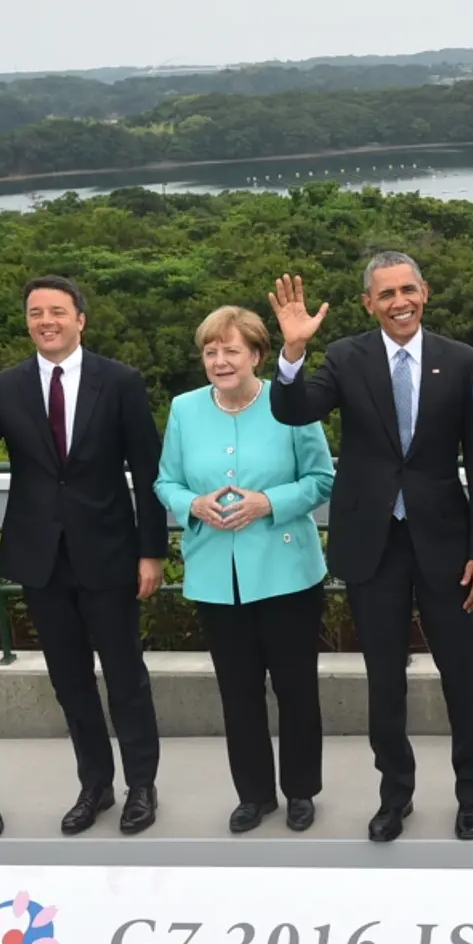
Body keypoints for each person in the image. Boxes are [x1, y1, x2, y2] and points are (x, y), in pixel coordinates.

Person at [0, 275, 168, 836]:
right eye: (35, 313)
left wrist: (152, 552)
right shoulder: (7, 386)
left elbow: (150, 470)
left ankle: (141, 786)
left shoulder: (119, 380)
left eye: (57, 311)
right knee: (69, 681)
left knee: (126, 676)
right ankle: (95, 784)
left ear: (80, 319)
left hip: (109, 553)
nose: (46, 321)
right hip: (40, 560)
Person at [267, 253, 473, 844]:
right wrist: (292, 351)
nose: (400, 302)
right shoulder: (346, 357)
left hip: (448, 546)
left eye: (408, 290)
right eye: (387, 294)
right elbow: (294, 409)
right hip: (373, 546)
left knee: (463, 680)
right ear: (368, 303)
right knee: (384, 683)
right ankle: (395, 796)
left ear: (425, 292)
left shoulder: (462, 360)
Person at [155, 306, 335, 835]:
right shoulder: (184, 409)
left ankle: (300, 790)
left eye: (231, 350)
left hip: (288, 572)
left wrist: (268, 502)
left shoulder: (290, 403)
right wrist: (192, 504)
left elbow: (322, 478)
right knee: (238, 693)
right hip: (216, 573)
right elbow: (166, 482)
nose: (220, 361)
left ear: (256, 354)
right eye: (210, 351)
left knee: (296, 689)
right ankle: (254, 795)